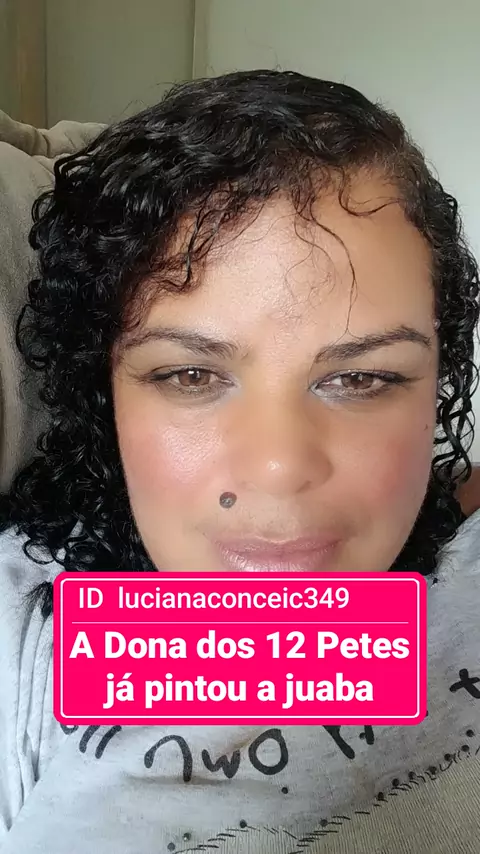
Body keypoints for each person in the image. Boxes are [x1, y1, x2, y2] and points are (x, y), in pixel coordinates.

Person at [0, 69, 479, 853]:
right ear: (102, 388)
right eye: (191, 375)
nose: (279, 468)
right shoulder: (21, 628)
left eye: (361, 378)